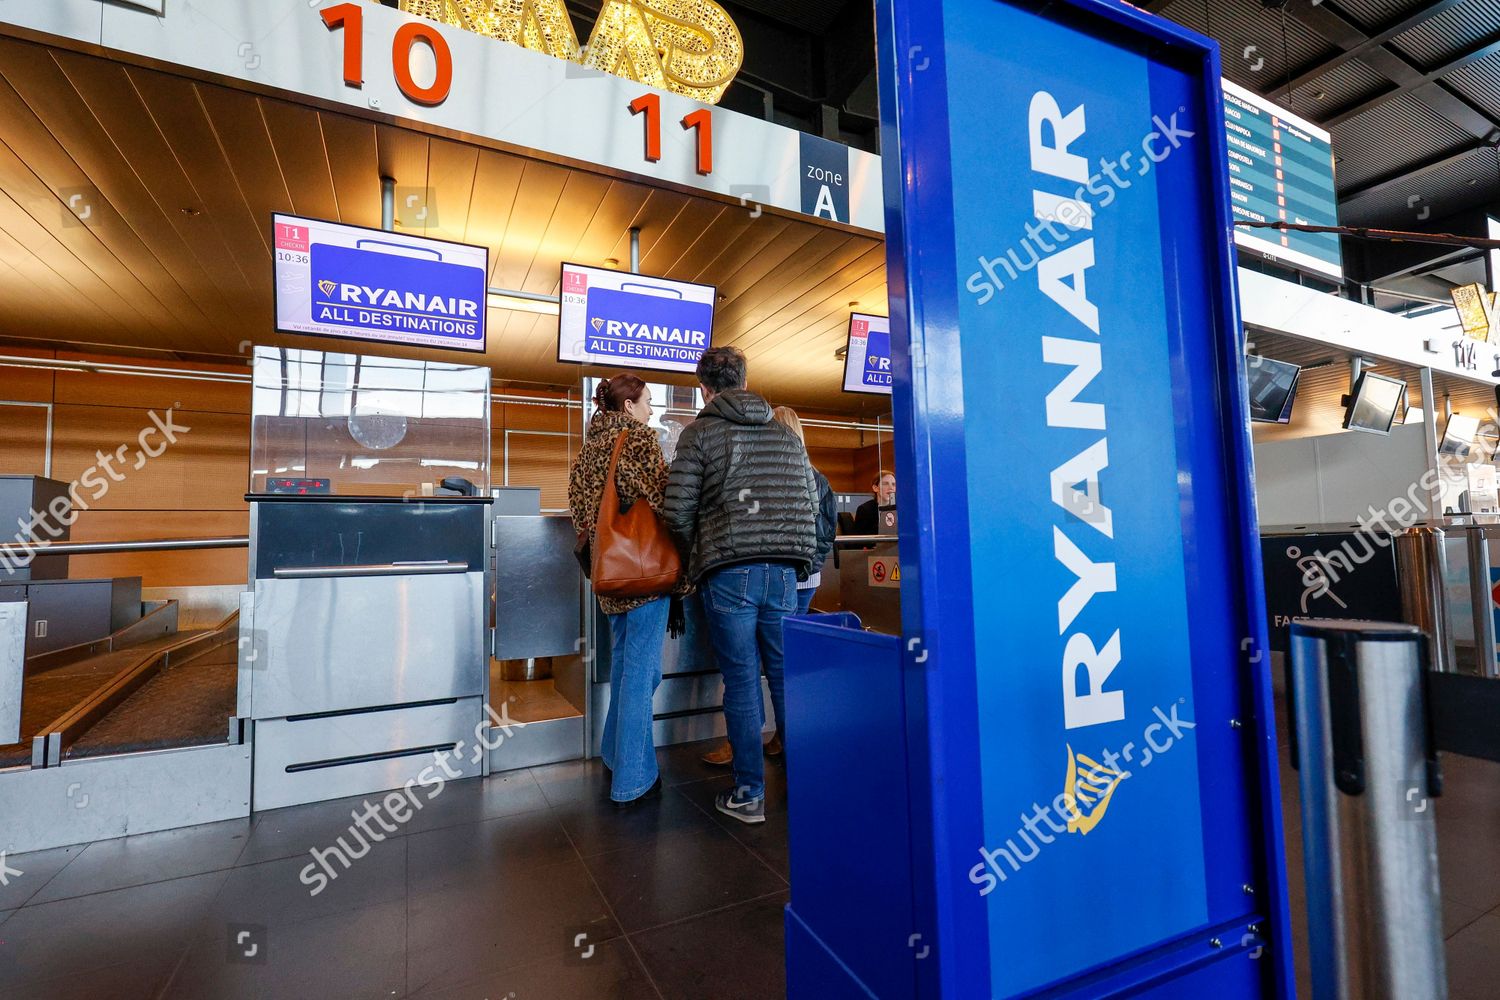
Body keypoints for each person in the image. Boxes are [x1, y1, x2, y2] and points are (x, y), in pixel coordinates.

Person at [665, 347, 817, 824]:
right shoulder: (785, 435)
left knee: (742, 680)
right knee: (788, 677)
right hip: (786, 572)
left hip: (730, 570)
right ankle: (808, 786)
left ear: (703, 387)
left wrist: (697, 557)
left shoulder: (700, 433)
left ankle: (750, 794)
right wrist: (800, 557)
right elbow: (809, 501)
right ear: (746, 381)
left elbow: (676, 510)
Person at [568, 375, 688, 807]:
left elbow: (579, 507)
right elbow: (663, 501)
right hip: (643, 576)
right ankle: (633, 781)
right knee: (641, 674)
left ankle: (615, 754)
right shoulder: (637, 440)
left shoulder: (587, 449)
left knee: (625, 667)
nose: (651, 411)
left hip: (610, 575)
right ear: (629, 405)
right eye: (648, 402)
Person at [698, 404, 836, 768]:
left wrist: (800, 565)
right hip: (797, 579)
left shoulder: (776, 473)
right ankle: (788, 743)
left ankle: (745, 747)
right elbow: (825, 532)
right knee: (783, 666)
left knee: (747, 667)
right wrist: (807, 563)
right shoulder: (817, 476)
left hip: (785, 577)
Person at [852, 470, 896, 535]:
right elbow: (859, 539)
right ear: (875, 488)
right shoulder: (864, 509)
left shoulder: (900, 508)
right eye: (885, 484)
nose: (891, 488)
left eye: (893, 484)